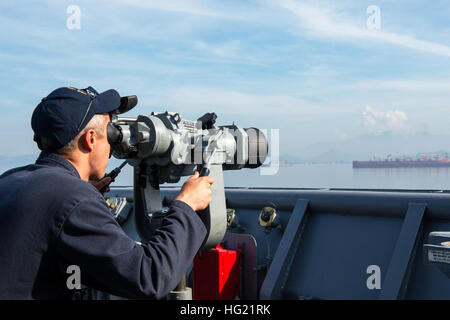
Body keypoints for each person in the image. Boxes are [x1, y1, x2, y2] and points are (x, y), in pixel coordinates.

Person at [0, 86, 214, 300]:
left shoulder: (9, 181)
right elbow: (148, 277)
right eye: (109, 134)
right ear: (90, 139)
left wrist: (82, 196)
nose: (112, 148)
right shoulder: (74, 199)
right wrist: (186, 206)